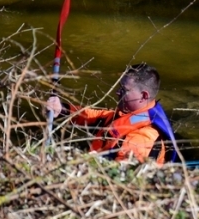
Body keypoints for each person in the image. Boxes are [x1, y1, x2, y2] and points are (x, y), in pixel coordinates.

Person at [46, 63, 178, 164]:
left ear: (143, 96)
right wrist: (62, 109)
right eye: (119, 87)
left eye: (124, 90)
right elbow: (94, 116)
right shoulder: (129, 113)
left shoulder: (143, 138)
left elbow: (120, 176)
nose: (117, 92)